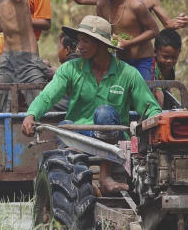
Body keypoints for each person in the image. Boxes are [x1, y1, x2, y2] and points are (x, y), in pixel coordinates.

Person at [22, 15, 161, 194]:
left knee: (105, 113)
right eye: (79, 40)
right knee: (65, 127)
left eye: (86, 41)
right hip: (80, 135)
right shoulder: (70, 69)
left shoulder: (127, 73)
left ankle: (105, 177)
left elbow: (149, 107)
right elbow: (48, 96)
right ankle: (80, 182)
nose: (79, 46)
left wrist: (158, 123)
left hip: (113, 141)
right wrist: (32, 113)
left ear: (102, 44)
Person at [51, 0, 158, 81]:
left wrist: (129, 43)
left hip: (142, 60)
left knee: (142, 94)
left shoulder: (136, 5)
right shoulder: (102, 3)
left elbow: (154, 30)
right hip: (119, 60)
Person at [153, 29, 182, 109]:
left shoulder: (170, 68)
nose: (170, 61)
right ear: (155, 52)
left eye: (174, 57)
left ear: (179, 52)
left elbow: (168, 89)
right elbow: (158, 94)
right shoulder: (152, 67)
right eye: (165, 57)